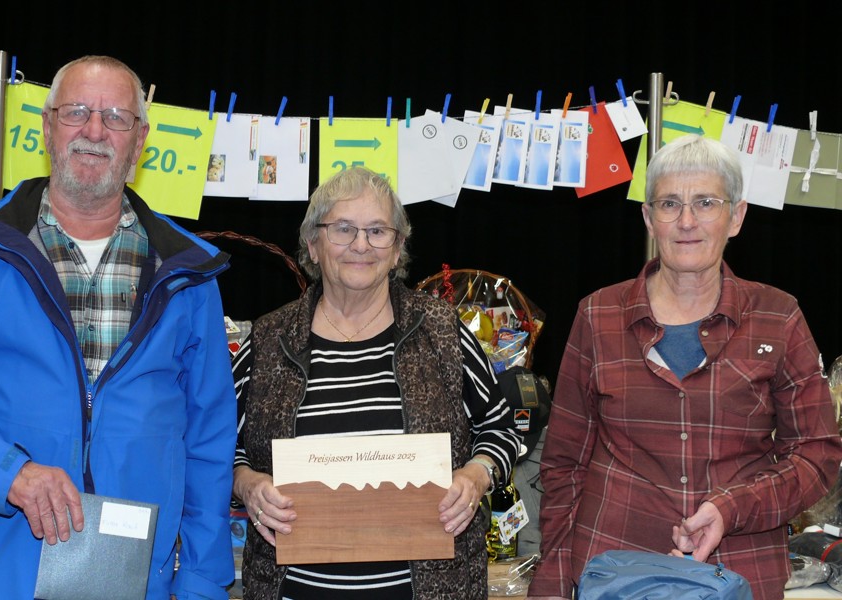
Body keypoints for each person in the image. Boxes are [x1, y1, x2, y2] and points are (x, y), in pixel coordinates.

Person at [0, 55, 237, 600]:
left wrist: (202, 583)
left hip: (139, 580)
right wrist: (10, 474)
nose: (94, 131)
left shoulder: (187, 272)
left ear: (139, 141)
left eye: (115, 117)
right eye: (77, 112)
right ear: (47, 128)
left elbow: (209, 442)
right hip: (0, 575)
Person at [527, 134, 842, 600]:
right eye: (669, 203)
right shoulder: (598, 316)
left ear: (736, 216)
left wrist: (733, 507)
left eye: (706, 203)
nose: (687, 221)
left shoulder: (778, 316)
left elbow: (818, 454)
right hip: (613, 573)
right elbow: (563, 464)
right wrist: (552, 583)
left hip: (739, 573)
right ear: (648, 218)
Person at [230, 166, 523, 599]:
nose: (361, 245)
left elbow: (501, 428)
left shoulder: (441, 329)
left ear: (397, 247)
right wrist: (247, 484)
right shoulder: (271, 339)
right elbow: (217, 445)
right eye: (343, 229)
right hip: (294, 589)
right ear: (313, 243)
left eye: (378, 231)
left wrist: (475, 477)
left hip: (429, 588)